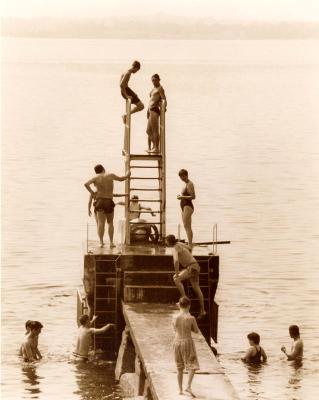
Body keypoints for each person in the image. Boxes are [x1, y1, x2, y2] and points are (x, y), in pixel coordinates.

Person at [84, 164, 130, 248]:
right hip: (108, 201)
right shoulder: (110, 175)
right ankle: (111, 243)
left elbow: (86, 184)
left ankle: (101, 243)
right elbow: (122, 179)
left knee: (101, 223)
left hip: (100, 201)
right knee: (110, 222)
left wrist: (92, 193)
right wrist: (128, 173)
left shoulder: (95, 177)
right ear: (103, 169)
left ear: (96, 172)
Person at [166, 234, 206, 320]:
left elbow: (176, 261)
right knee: (197, 289)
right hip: (196, 266)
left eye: (166, 241)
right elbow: (190, 248)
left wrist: (177, 273)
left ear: (169, 242)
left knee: (176, 278)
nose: (165, 242)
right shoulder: (179, 243)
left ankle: (184, 301)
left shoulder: (174, 248)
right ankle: (202, 310)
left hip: (191, 267)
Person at [173, 296, 200, 398]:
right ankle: (188, 386)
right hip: (187, 342)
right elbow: (196, 331)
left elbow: (175, 329)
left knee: (179, 367)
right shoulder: (191, 318)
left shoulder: (174, 317)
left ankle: (180, 390)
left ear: (179, 305)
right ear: (189, 306)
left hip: (176, 342)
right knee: (192, 365)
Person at [146, 74, 166, 153]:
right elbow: (151, 99)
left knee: (154, 130)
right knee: (148, 131)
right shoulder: (153, 88)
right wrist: (147, 110)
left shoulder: (160, 89)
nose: (153, 82)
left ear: (159, 80)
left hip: (155, 110)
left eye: (155, 80)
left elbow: (164, 99)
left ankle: (156, 148)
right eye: (152, 80)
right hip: (150, 110)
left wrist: (164, 108)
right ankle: (153, 147)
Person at [177, 169, 195, 247]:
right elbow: (185, 196)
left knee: (186, 225)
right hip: (184, 206)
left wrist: (182, 196)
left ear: (187, 175)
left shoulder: (190, 184)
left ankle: (190, 244)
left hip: (188, 206)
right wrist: (180, 197)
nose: (182, 178)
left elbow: (193, 197)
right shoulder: (185, 184)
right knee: (187, 226)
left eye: (183, 176)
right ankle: (190, 243)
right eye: (181, 177)